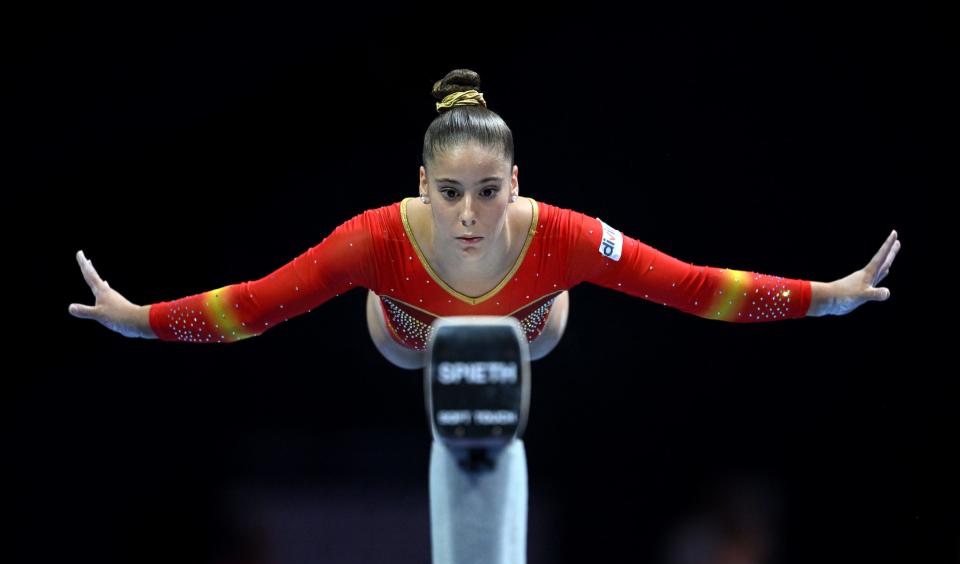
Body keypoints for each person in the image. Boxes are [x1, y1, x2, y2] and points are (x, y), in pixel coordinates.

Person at [68, 68, 901, 370]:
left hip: (532, 331)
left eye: (489, 192)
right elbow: (253, 307)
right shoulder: (374, 240)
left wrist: (830, 295)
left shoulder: (566, 236)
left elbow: (692, 287)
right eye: (451, 193)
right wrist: (138, 321)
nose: (470, 215)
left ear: (516, 183)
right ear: (422, 183)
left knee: (535, 329)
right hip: (405, 340)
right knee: (406, 342)